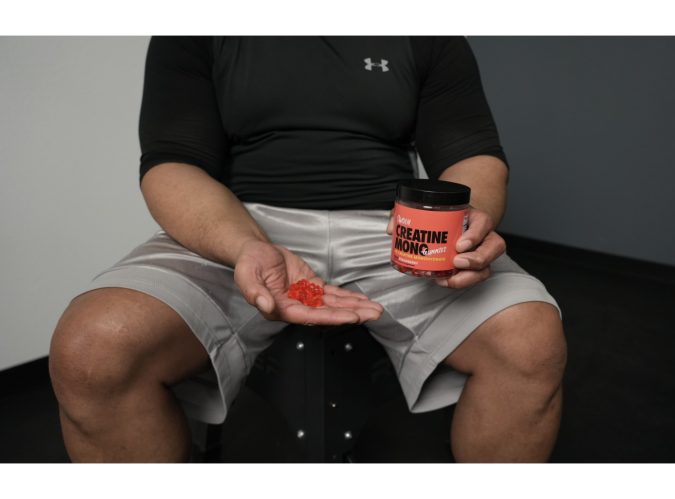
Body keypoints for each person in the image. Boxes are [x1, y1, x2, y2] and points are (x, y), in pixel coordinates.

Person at [48, 36, 566, 462]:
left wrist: (469, 226)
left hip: (389, 228)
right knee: (94, 347)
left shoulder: (423, 30)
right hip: (239, 225)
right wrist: (246, 246)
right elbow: (172, 162)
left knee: (530, 338)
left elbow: (472, 154)